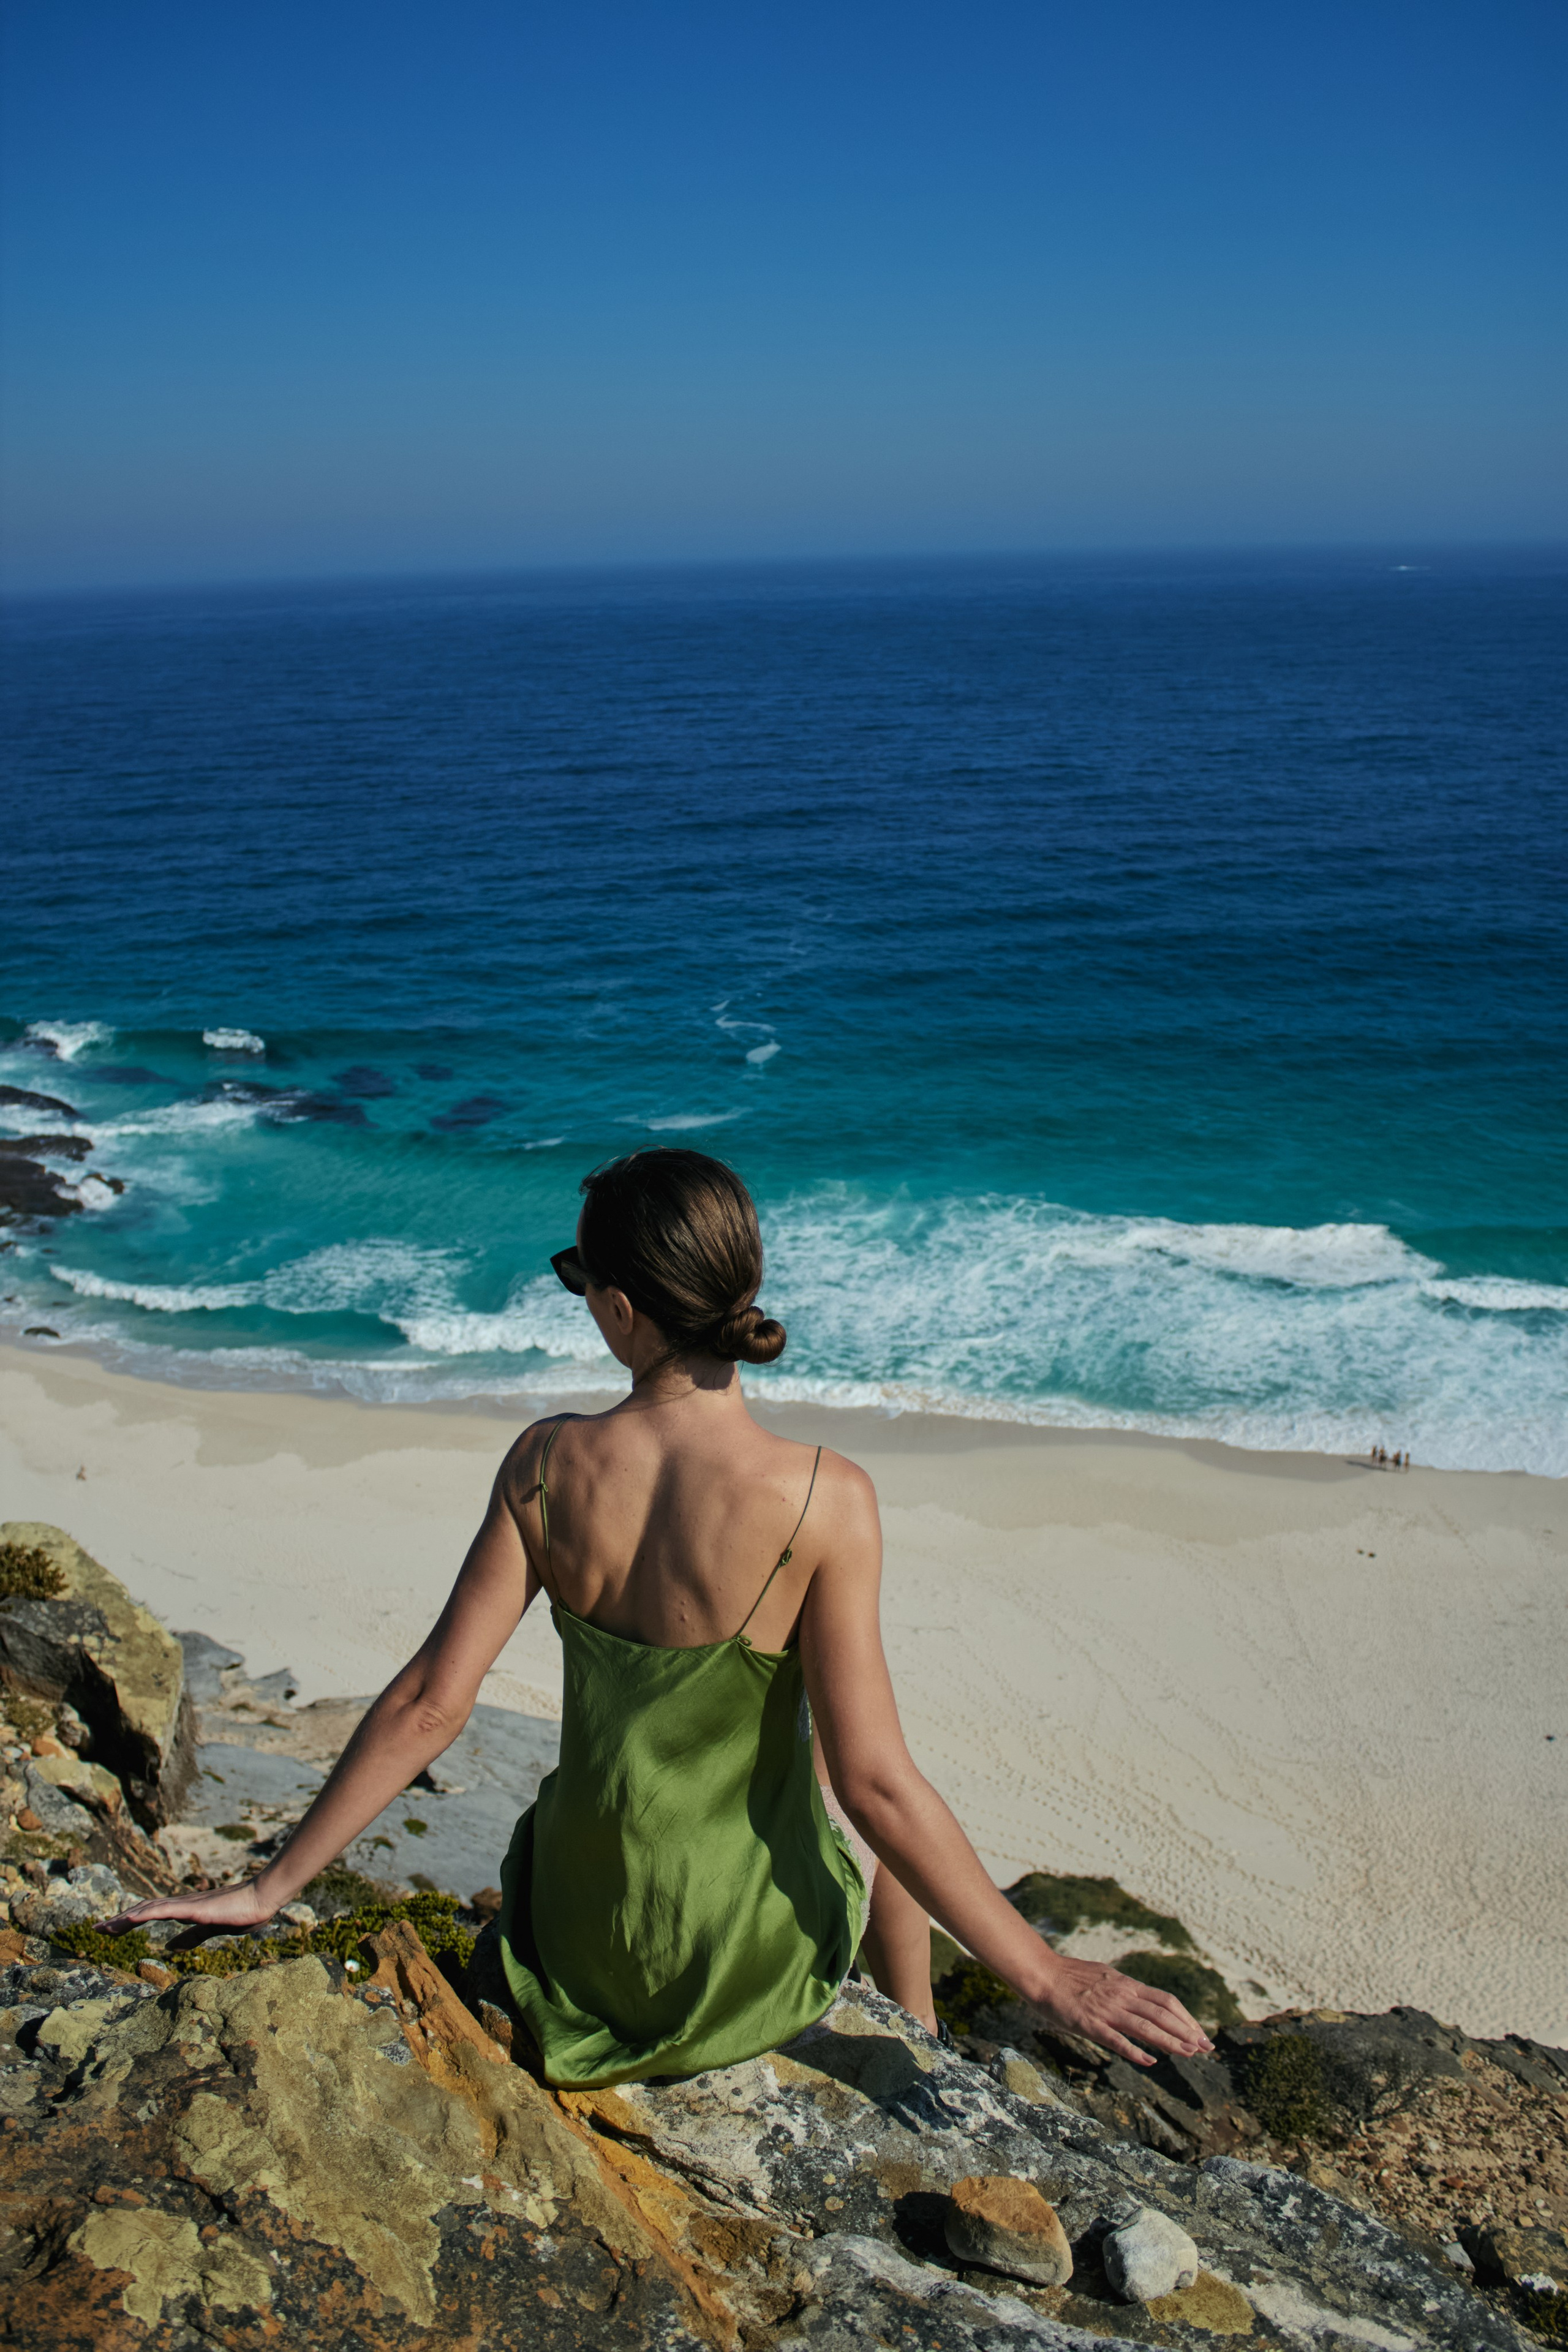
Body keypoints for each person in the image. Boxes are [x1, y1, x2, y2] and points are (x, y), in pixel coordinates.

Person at [110, 1148, 1212, 2087]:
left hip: (577, 1940)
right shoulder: (827, 1498)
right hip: (731, 1964)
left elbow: (431, 1704)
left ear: (626, 1308)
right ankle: (915, 2035)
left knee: (822, 1783)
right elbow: (878, 1784)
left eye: (583, 1282)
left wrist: (268, 1886)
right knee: (872, 1825)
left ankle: (909, 2025)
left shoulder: (544, 1464)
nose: (587, 1303)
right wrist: (1047, 1973)